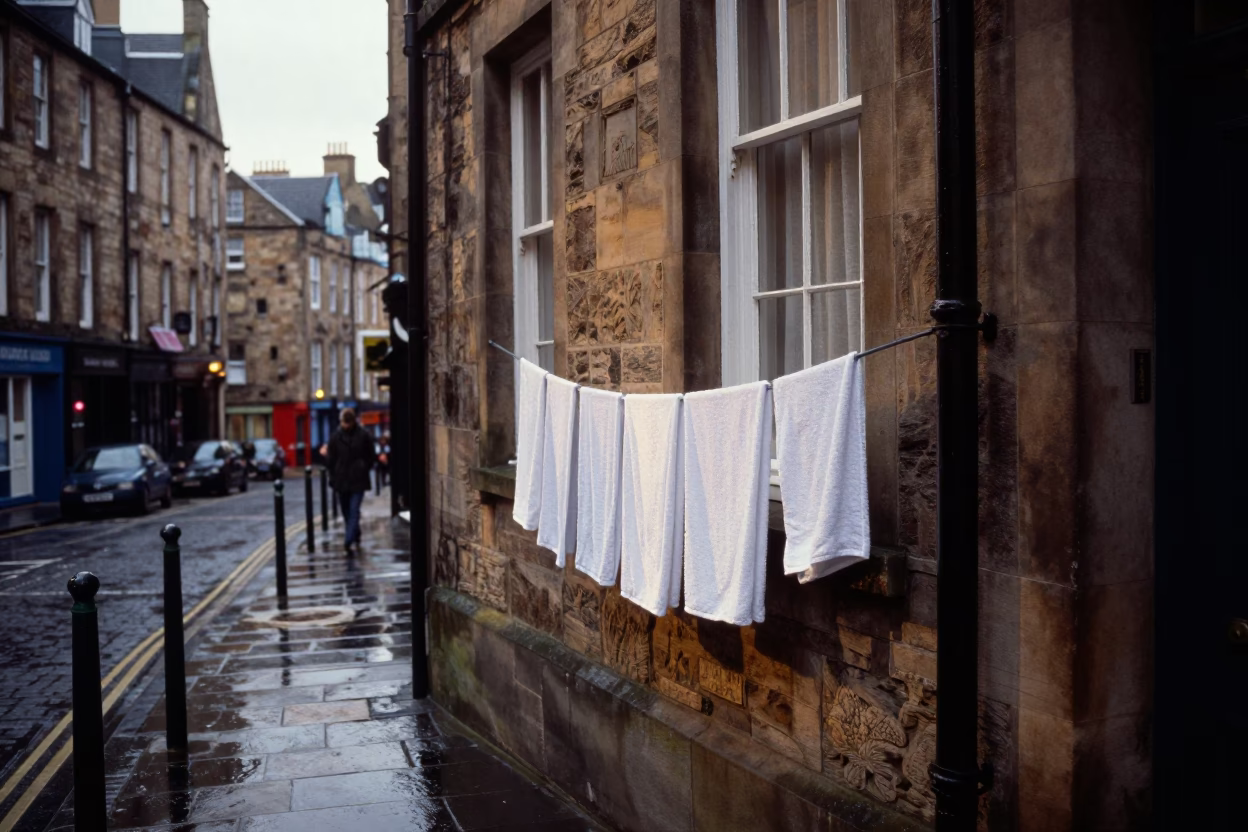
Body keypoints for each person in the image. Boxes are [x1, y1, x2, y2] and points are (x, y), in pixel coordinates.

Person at [325, 408, 376, 553]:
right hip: (341, 480)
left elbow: (371, 456)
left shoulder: (363, 435)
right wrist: (333, 475)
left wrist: (363, 466)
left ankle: (348, 540)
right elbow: (330, 459)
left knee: (354, 510)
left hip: (358, 480)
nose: (345, 425)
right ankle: (355, 533)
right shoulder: (335, 437)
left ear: (353, 422)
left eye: (348, 422)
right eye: (344, 422)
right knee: (346, 511)